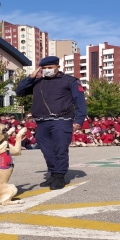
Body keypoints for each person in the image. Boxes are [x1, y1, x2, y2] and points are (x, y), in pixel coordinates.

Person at [15, 56, 87, 190]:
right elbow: (19, 91)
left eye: (50, 68)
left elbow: (80, 102)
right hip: (42, 122)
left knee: (60, 149)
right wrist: (30, 78)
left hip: (62, 120)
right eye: (44, 68)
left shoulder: (70, 81)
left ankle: (60, 176)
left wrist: (79, 120)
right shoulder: (37, 82)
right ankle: (53, 174)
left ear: (57, 67)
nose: (47, 70)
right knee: (47, 150)